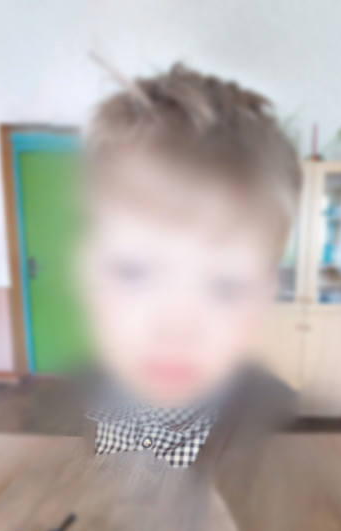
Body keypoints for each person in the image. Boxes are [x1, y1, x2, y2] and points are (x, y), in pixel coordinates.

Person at [74, 63, 302, 468]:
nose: (176, 326)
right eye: (135, 272)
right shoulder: (84, 408)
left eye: (224, 286)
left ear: (261, 297)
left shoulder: (279, 428)